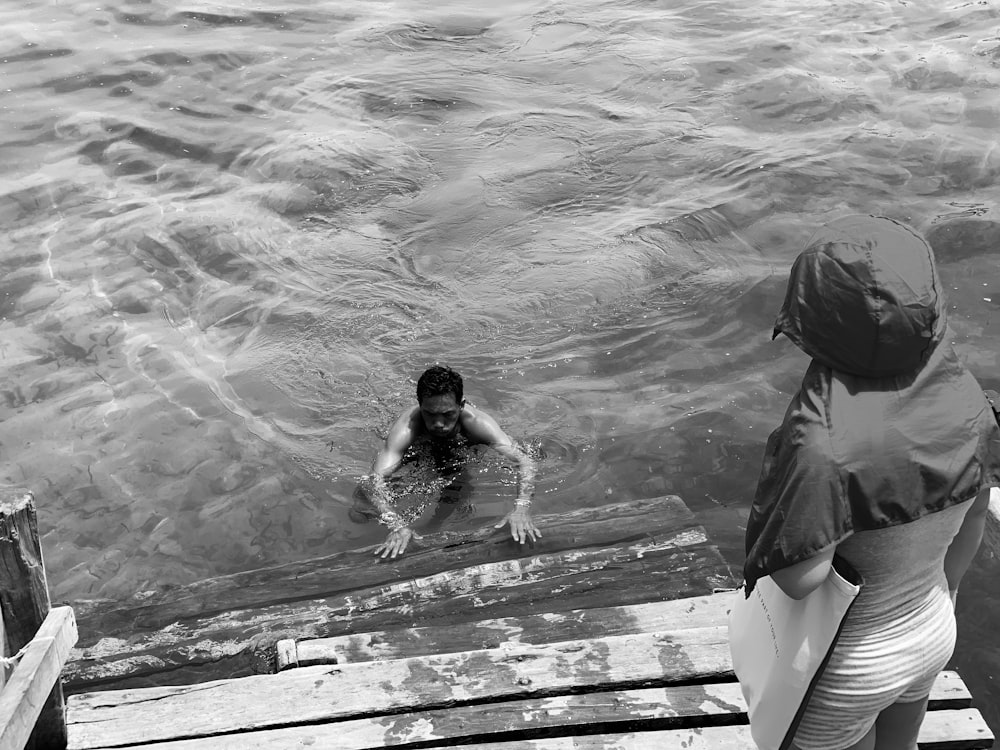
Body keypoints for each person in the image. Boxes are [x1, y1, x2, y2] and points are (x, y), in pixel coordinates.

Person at [740, 215, 1000, 750]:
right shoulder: (966, 397)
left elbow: (800, 579)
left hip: (848, 666)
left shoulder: (820, 441)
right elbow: (975, 516)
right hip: (931, 628)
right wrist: (944, 597)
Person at [360, 365, 539, 559]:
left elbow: (525, 461)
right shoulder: (406, 429)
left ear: (461, 405)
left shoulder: (478, 424)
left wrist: (521, 507)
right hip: (420, 447)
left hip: (462, 447)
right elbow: (373, 481)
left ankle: (438, 524)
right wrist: (396, 525)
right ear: (420, 405)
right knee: (360, 510)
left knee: (457, 488)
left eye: (447, 414)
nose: (438, 423)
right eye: (430, 414)